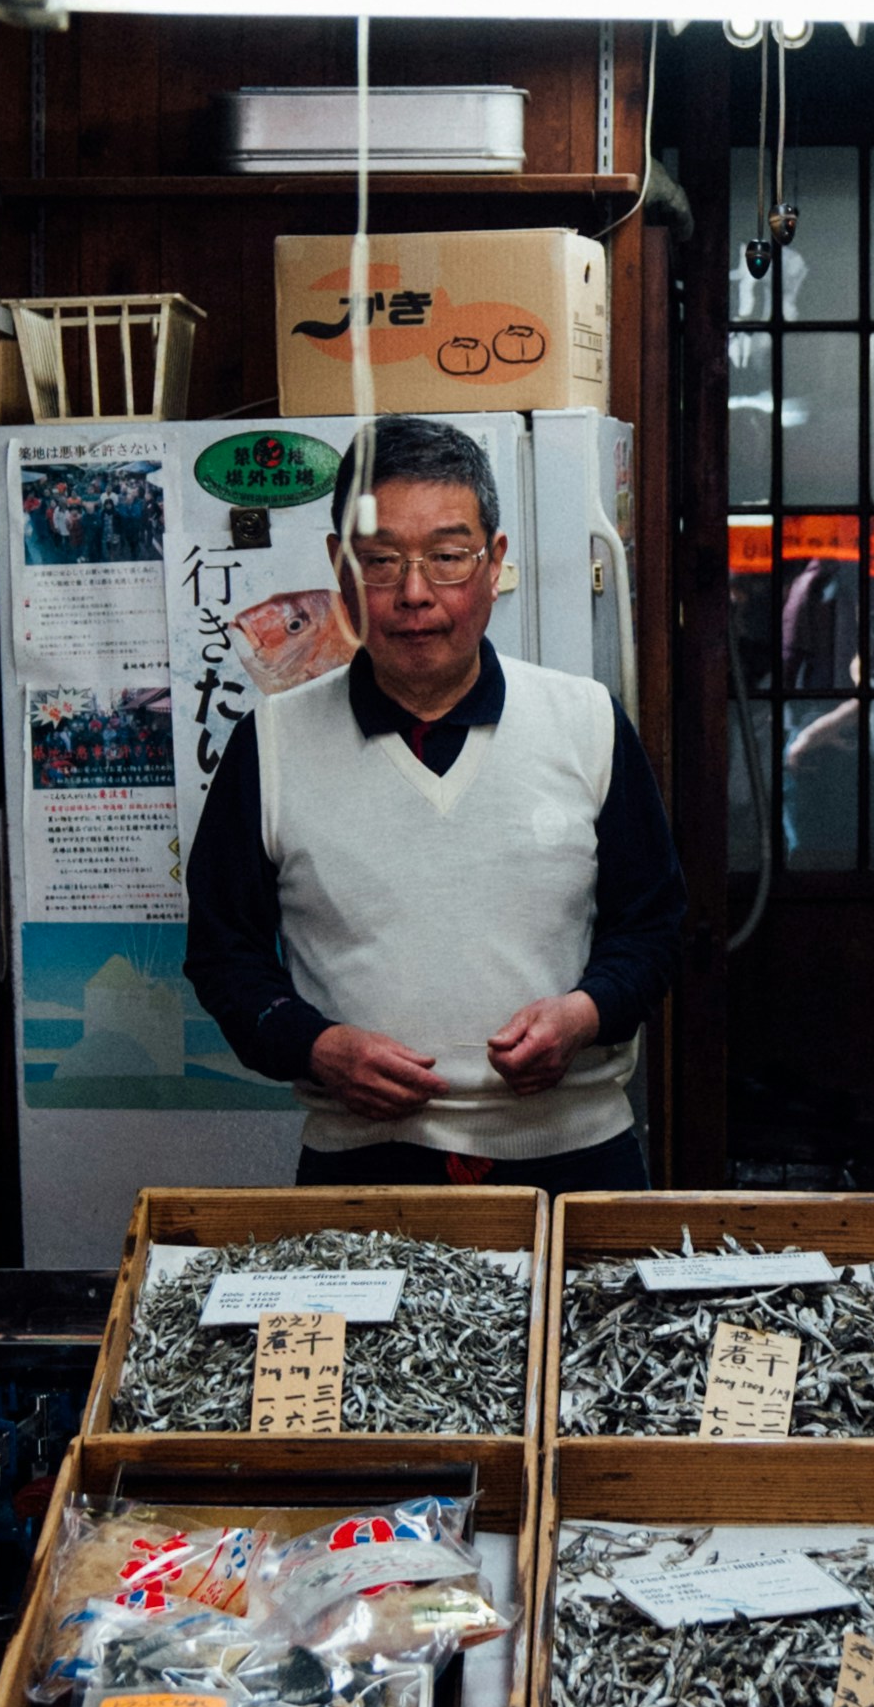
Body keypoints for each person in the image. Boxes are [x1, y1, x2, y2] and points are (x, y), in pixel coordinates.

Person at [182, 414, 685, 1180]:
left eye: (448, 557)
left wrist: (583, 1014)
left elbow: (653, 926)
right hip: (362, 1163)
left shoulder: (584, 721)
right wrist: (313, 1045)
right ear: (340, 567)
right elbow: (223, 954)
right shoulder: (271, 746)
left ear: (493, 563)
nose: (415, 594)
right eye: (381, 561)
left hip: (575, 1155)